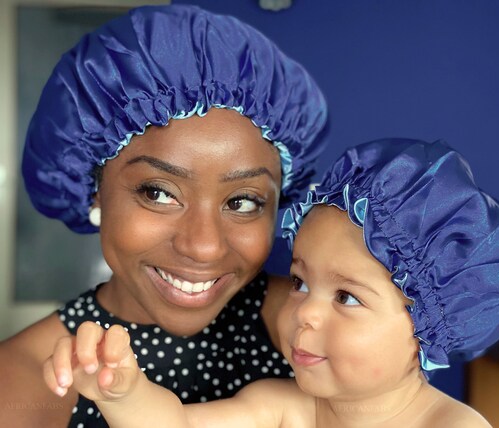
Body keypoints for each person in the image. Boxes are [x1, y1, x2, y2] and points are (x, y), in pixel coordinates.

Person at [0, 4, 327, 427]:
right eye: (158, 193)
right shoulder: (22, 384)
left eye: (243, 201)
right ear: (93, 191)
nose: (204, 245)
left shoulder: (319, 327)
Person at [43, 138, 499, 427]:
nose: (304, 312)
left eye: (347, 296)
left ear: (427, 328)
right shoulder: (285, 408)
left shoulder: (450, 425)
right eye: (298, 282)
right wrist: (123, 392)